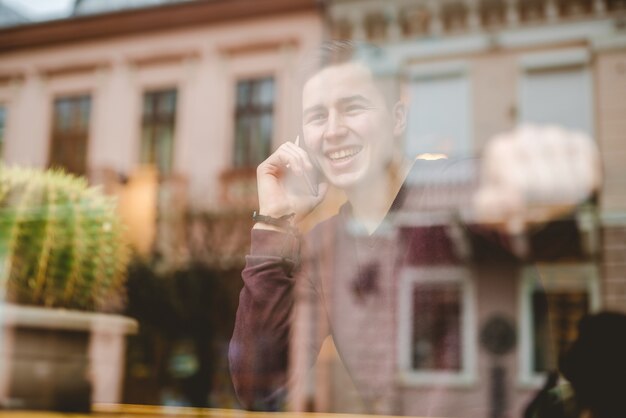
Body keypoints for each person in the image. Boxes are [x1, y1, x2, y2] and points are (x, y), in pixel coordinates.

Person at [229, 40, 600, 414]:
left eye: (353, 108)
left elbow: (542, 228)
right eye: (317, 117)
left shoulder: (450, 190)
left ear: (397, 119)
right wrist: (274, 224)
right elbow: (259, 386)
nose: (333, 130)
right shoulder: (327, 243)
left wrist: (543, 186)